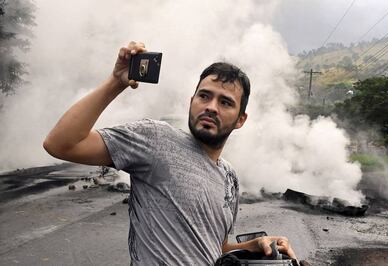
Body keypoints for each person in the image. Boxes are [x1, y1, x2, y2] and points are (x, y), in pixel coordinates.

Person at [43, 41, 297, 265]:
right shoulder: (156, 139)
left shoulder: (230, 177)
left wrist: (250, 247)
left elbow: (212, 249)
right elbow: (60, 144)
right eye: (204, 96)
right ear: (191, 101)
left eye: (225, 102)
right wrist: (115, 82)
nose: (211, 107)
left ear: (240, 119)